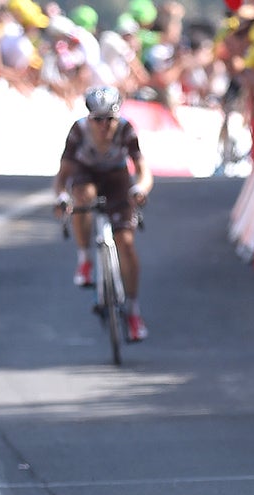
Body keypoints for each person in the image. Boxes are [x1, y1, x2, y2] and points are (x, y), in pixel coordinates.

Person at [52, 85, 153, 342]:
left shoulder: (125, 130)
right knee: (82, 195)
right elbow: (63, 175)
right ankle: (85, 258)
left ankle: (132, 310)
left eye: (109, 119)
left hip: (117, 178)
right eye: (98, 119)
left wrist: (140, 189)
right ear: (89, 118)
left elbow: (142, 168)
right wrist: (62, 197)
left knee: (127, 244)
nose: (104, 126)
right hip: (86, 174)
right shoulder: (79, 131)